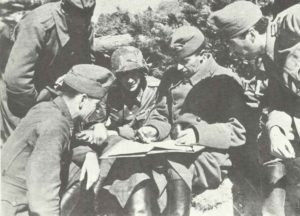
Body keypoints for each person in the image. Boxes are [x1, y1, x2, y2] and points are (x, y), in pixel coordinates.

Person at [134, 25, 247, 215]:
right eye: (176, 61)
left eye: (184, 61)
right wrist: (153, 128)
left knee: (175, 163)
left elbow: (238, 130)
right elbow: (162, 113)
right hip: (172, 146)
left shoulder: (225, 80)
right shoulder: (171, 77)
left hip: (211, 156)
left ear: (204, 54)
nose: (179, 67)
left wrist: (197, 134)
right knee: (134, 165)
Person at [208, 1, 300, 215]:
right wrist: (275, 129)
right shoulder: (269, 60)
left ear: (250, 34)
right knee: (268, 141)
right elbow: (281, 100)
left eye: (232, 44)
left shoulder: (289, 22)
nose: (232, 52)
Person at [1, 64, 115, 216]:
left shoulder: (47, 108)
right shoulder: (56, 124)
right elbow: (42, 192)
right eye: (96, 104)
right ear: (82, 99)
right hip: (14, 206)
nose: (96, 110)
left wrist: (88, 154)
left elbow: (64, 145)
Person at [1, 0, 96, 143]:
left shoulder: (85, 26)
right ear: (65, 10)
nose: (81, 23)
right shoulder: (38, 23)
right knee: (22, 150)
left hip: (53, 94)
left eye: (86, 16)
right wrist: (41, 108)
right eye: (77, 16)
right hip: (21, 97)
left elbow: (86, 67)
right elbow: (17, 80)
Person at [106, 46, 160, 139]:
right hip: (118, 142)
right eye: (124, 75)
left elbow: (165, 121)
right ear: (118, 77)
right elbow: (97, 122)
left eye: (133, 73)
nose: (130, 80)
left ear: (141, 72)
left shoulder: (156, 90)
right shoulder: (110, 92)